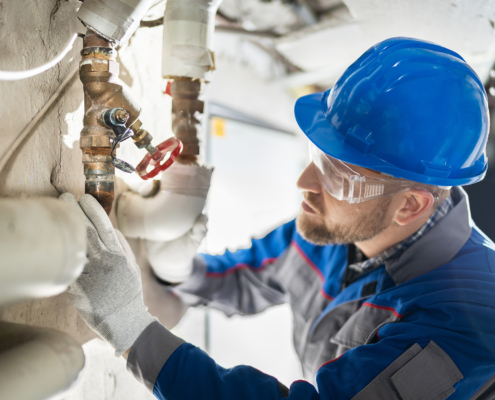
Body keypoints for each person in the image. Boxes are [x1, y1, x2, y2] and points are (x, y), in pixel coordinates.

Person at [61, 37, 495, 400]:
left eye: (340, 176)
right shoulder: (333, 230)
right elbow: (245, 276)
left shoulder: (468, 322)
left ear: (411, 206)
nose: (305, 182)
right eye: (318, 156)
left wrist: (131, 328)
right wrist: (177, 267)